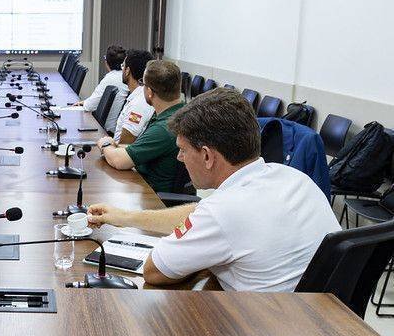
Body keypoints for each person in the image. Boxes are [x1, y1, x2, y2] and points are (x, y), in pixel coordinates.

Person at [88, 88, 341, 292]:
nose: (179, 157)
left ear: (207, 156)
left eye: (183, 149)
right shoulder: (293, 178)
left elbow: (154, 271)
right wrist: (127, 218)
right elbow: (202, 214)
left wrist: (199, 256)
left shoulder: (223, 212)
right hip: (316, 330)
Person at [97, 60, 184, 193]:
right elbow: (142, 148)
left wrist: (105, 145)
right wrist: (116, 146)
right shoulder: (181, 113)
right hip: (148, 188)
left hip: (153, 199)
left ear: (149, 92)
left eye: (143, 84)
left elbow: (119, 161)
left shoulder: (164, 128)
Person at [97, 49, 154, 147]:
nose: (122, 69)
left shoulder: (139, 103)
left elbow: (124, 145)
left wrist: (106, 146)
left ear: (127, 71)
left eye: (123, 66)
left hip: (119, 156)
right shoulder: (138, 96)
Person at [74, 44, 128, 132]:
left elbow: (89, 106)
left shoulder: (109, 79)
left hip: (105, 130)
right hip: (116, 128)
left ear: (106, 62)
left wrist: (85, 103)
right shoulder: (126, 77)